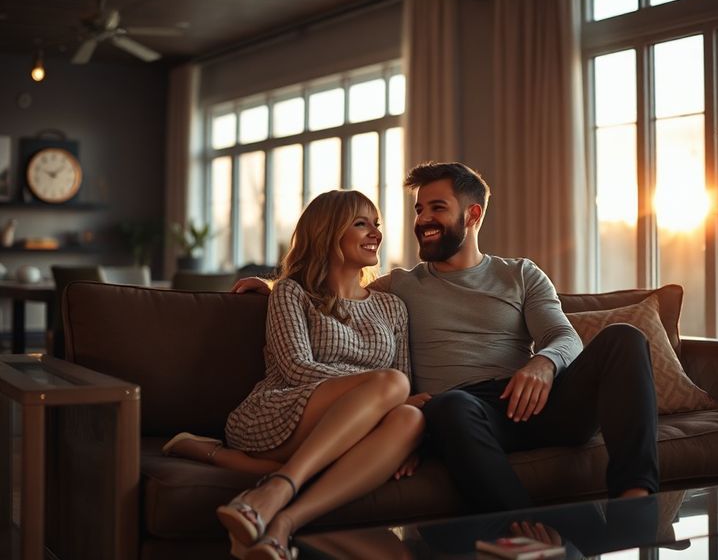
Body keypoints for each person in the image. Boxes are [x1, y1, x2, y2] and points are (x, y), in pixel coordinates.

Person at [236, 162, 659, 514]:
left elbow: (562, 335)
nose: (422, 220)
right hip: (465, 415)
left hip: (535, 399)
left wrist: (543, 364)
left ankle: (636, 499)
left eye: (437, 208)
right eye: (419, 210)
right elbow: (337, 289)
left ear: (472, 215)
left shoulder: (521, 274)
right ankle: (520, 528)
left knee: (624, 338)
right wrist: (274, 288)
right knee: (453, 404)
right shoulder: (400, 286)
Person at [162, 190, 424, 560]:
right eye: (361, 223)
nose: (375, 233)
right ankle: (275, 483)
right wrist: (367, 388)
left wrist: (383, 409)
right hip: (281, 409)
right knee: (392, 386)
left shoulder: (393, 307)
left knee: (411, 417)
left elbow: (404, 383)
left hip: (351, 421)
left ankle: (283, 523)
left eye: (377, 224)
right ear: (327, 231)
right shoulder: (291, 292)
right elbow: (297, 369)